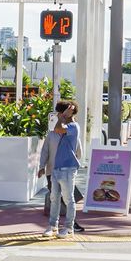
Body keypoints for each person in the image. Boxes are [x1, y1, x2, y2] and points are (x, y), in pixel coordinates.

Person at [36, 100, 83, 238]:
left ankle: (69, 227)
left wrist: (62, 117)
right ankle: (52, 225)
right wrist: (42, 166)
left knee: (69, 199)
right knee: (54, 198)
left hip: (68, 169)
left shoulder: (74, 127)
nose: (57, 114)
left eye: (60, 112)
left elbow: (59, 129)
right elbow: (45, 150)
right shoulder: (54, 132)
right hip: (55, 169)